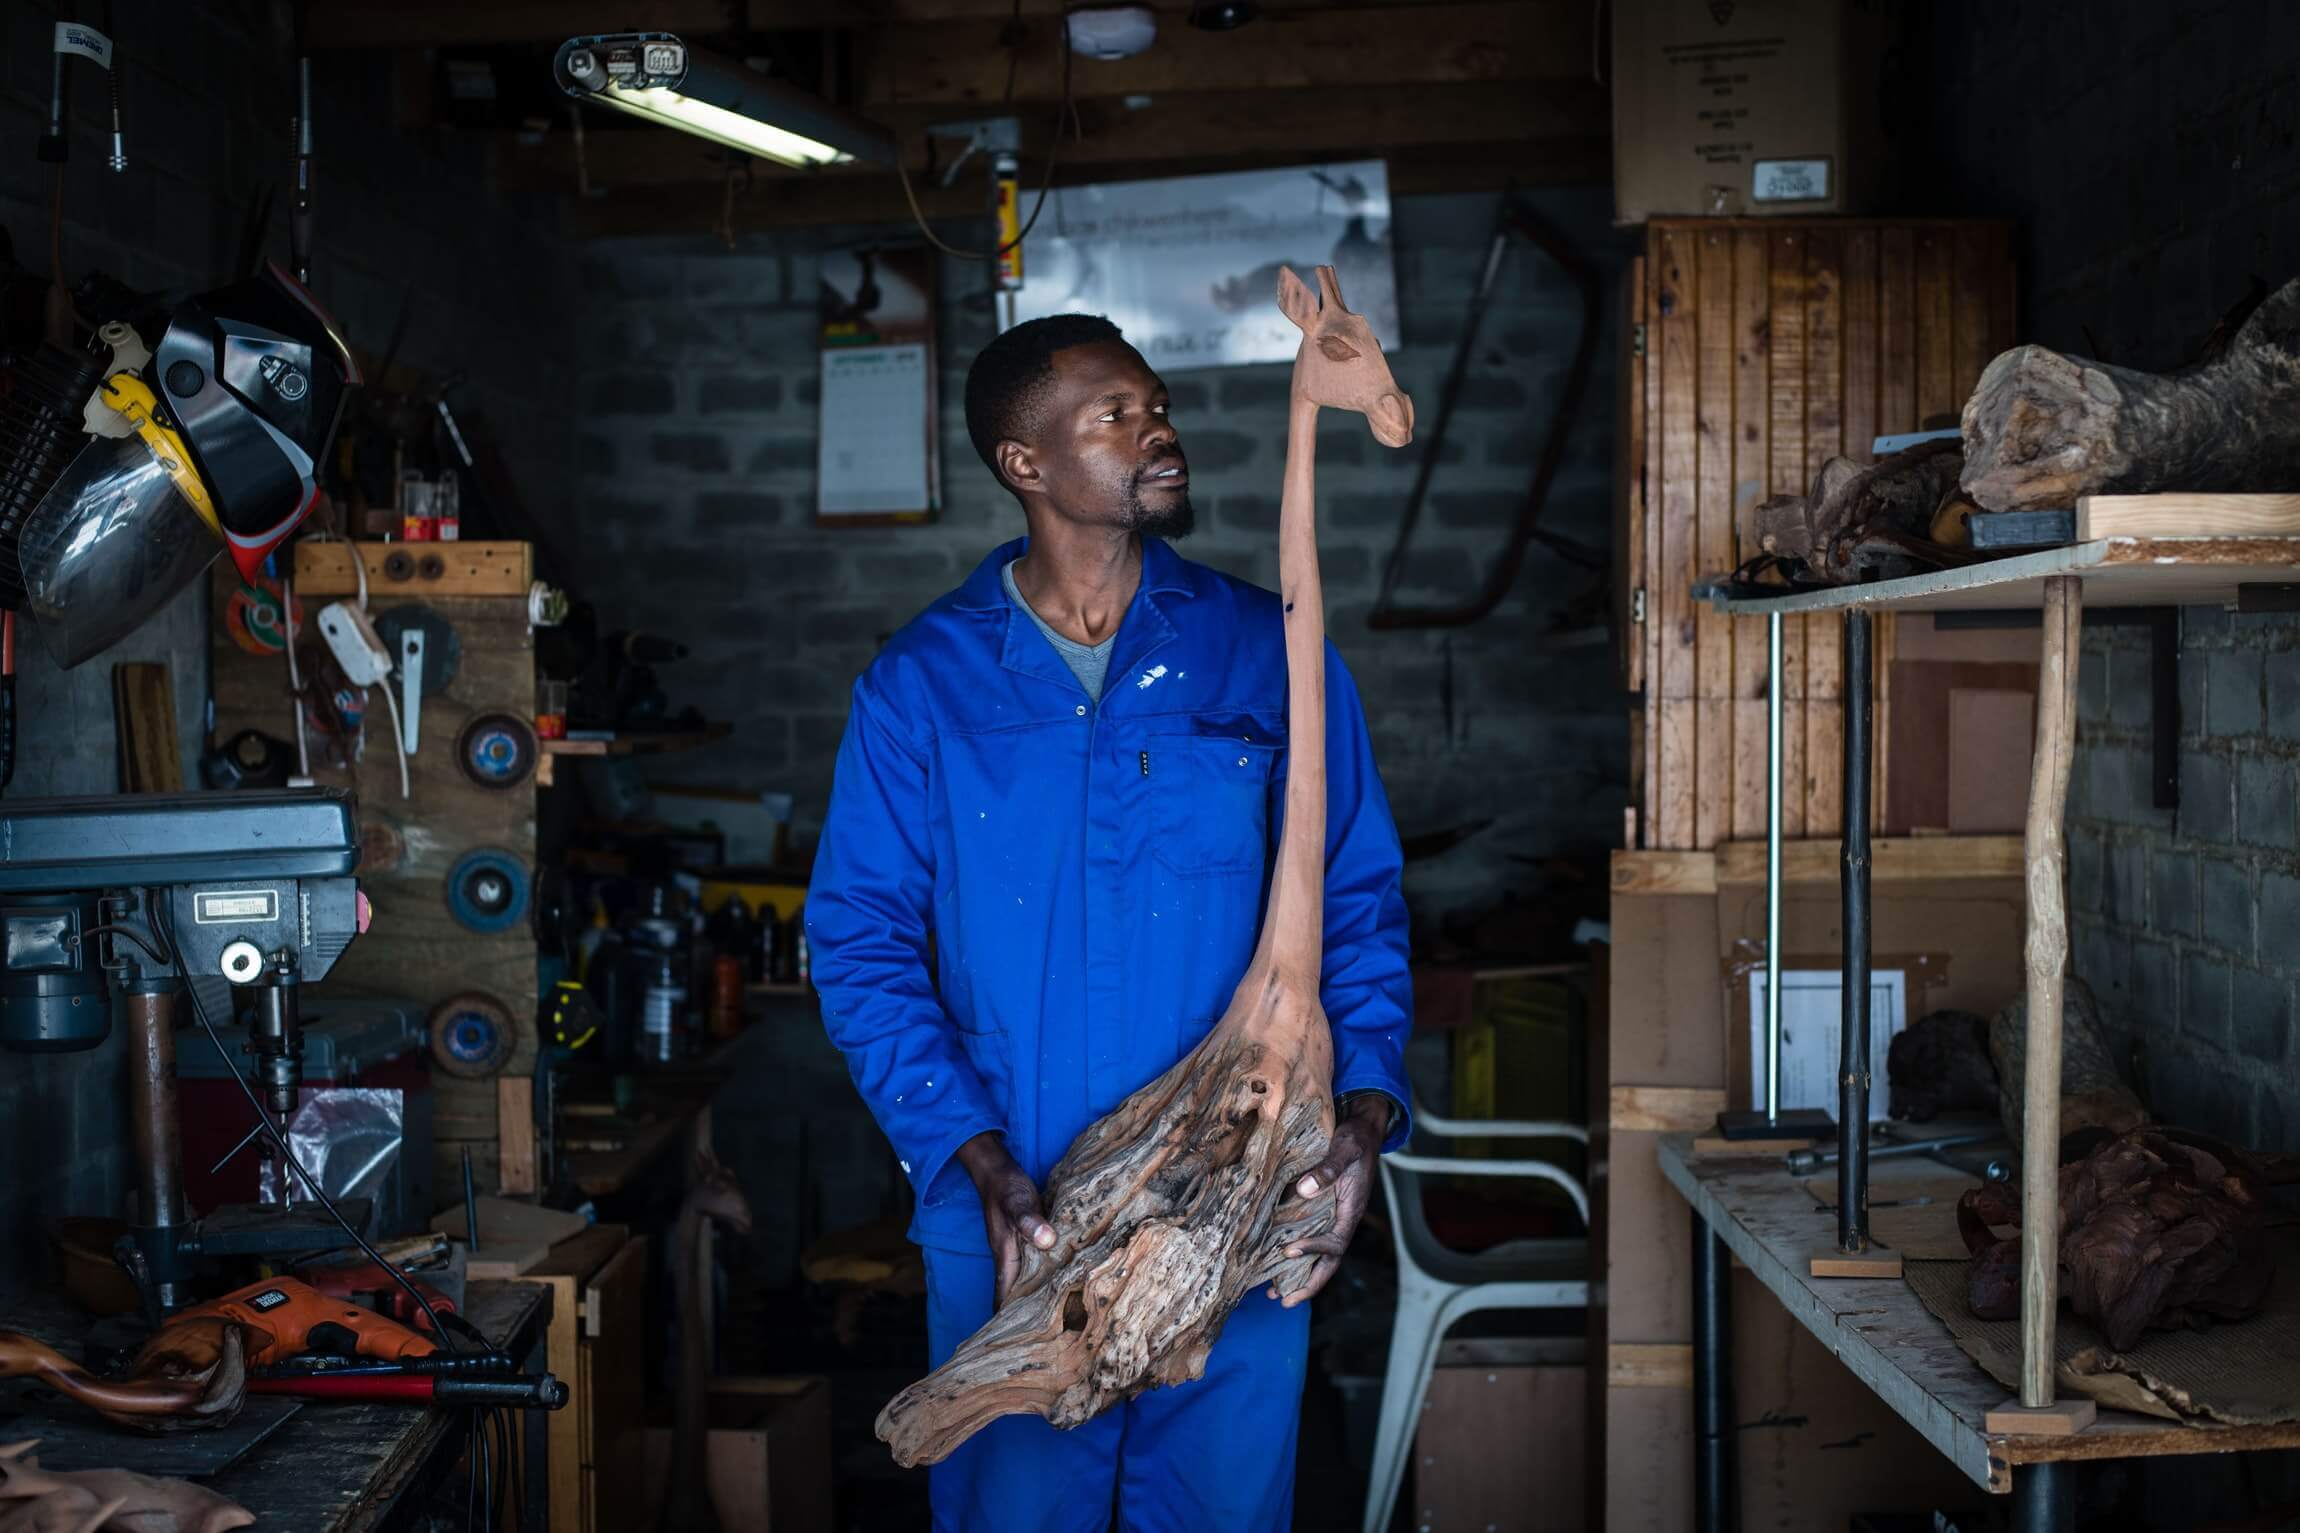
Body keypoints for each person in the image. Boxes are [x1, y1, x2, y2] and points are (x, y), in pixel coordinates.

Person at [808, 313, 1412, 1532]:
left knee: (1220, 1517)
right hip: (1016, 1219)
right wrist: (972, 1158)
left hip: (1234, 1199)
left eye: (1158, 407)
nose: (1159, 433)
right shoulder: (923, 684)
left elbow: (1355, 900)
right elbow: (859, 940)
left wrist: (1355, 1123)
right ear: (1023, 464)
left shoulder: (1266, 651)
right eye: (1115, 418)